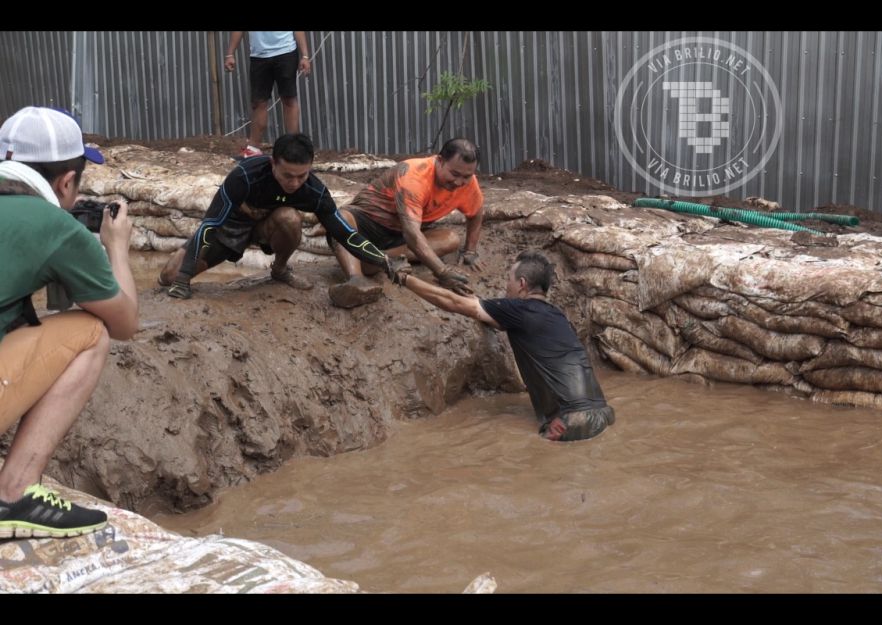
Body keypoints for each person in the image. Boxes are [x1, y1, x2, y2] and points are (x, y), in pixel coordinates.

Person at [0, 106, 139, 538]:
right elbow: (125, 324)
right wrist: (116, 248)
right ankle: (13, 494)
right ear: (66, 181)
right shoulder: (56, 226)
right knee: (90, 333)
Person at [394, 250, 615, 442]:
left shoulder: (519, 310)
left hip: (570, 422)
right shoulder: (555, 315)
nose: (505, 285)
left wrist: (405, 279)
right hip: (603, 414)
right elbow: (497, 320)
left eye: (509, 279)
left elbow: (454, 303)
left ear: (522, 284)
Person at [159, 133, 403, 300]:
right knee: (169, 276)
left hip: (269, 228)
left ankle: (280, 269)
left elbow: (345, 234)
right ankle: (178, 267)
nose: (294, 183)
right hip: (232, 228)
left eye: (302, 176)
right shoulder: (244, 176)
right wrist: (183, 279)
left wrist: (382, 260)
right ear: (273, 163)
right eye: (287, 175)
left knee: (290, 218)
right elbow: (210, 225)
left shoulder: (314, 191)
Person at [327, 137, 485, 308]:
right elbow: (411, 234)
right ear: (440, 161)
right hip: (369, 223)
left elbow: (476, 212)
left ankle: (375, 260)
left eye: (466, 176)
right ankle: (357, 279)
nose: (459, 182)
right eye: (454, 174)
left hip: (401, 236)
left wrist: (470, 250)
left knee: (451, 239)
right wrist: (442, 271)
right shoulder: (415, 175)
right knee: (340, 219)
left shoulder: (469, 184)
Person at [225, 31, 311, 159]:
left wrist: (305, 56)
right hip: (259, 56)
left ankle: (294, 148)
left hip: (286, 52)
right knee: (258, 102)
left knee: (289, 99)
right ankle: (253, 148)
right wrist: (230, 54)